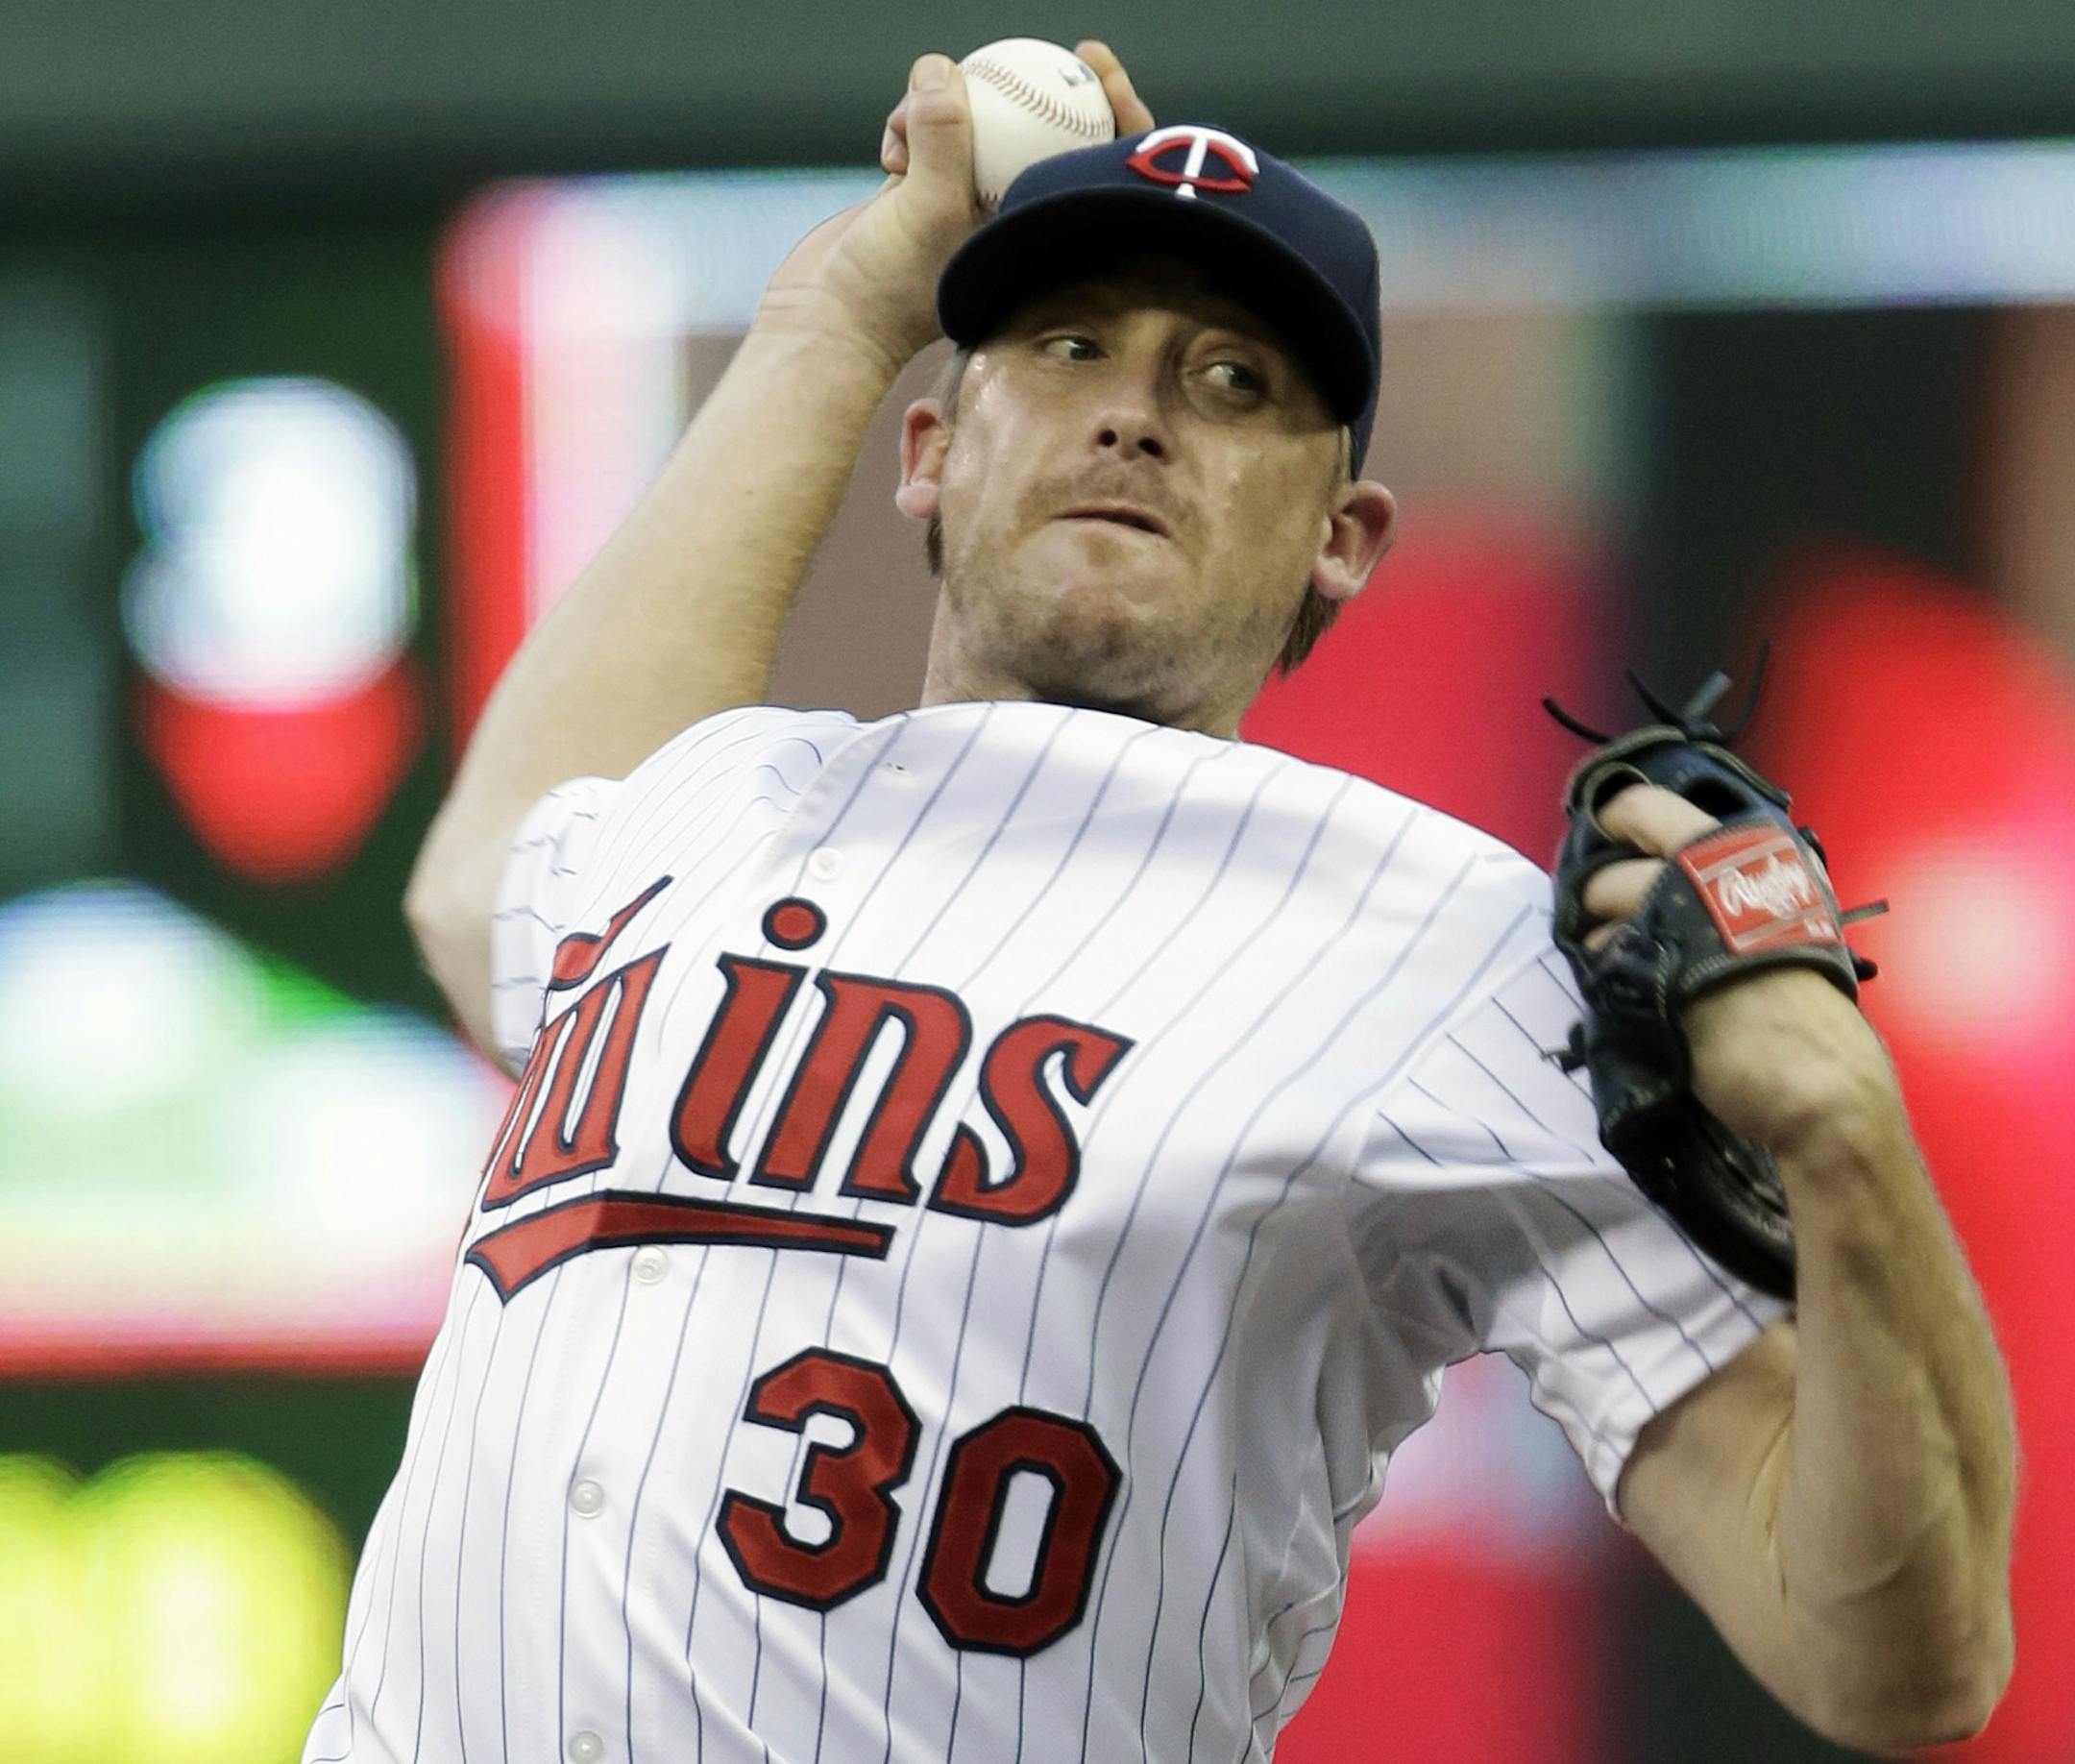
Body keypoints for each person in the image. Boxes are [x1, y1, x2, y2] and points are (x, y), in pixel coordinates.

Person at [304, 43, 2014, 1764]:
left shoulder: (1445, 948)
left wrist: (1853, 1145)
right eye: (1068, 348)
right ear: (929, 448)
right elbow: (482, 888)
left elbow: (1894, 1663)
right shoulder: (713, 807)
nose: (1134, 410)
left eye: (1232, 381)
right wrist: (836, 311)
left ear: (1340, 540)